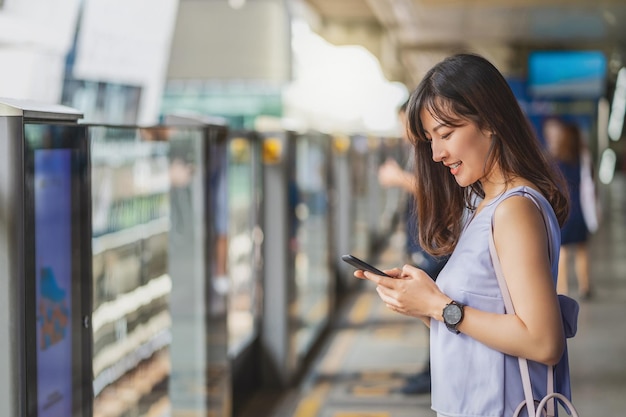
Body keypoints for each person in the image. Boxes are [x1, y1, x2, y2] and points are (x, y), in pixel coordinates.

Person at [354, 53, 574, 416]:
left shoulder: (513, 210)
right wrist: (423, 302)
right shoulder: (484, 204)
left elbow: (543, 340)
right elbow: (483, 322)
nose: (437, 153)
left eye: (446, 133)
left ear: (490, 122)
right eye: (429, 140)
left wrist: (439, 306)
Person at [378, 100, 448, 395]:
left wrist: (397, 178)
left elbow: (432, 190)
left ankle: (435, 374)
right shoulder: (420, 151)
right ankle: (430, 371)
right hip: (425, 242)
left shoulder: (432, 154)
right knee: (429, 314)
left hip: (434, 245)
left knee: (434, 311)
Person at [543, 118, 594, 299]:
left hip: (565, 209)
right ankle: (585, 286)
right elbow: (589, 184)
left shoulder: (556, 160)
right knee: (582, 249)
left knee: (562, 250)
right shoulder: (582, 157)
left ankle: (562, 287)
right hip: (580, 210)